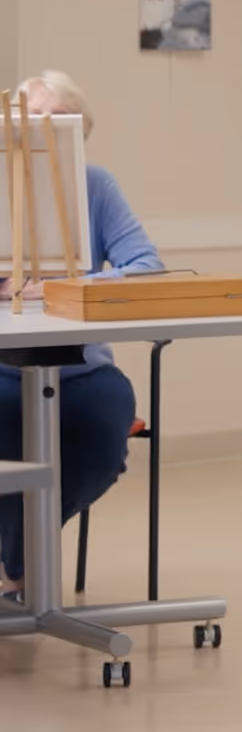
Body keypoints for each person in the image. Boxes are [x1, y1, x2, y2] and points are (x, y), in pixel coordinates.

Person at [0, 71, 162, 598]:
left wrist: (74, 282)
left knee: (102, 435)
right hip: (4, 365)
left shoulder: (95, 185)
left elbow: (146, 264)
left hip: (82, 370)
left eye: (51, 125)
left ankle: (18, 560)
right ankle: (17, 563)